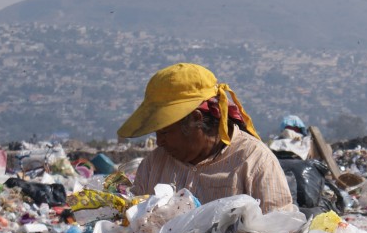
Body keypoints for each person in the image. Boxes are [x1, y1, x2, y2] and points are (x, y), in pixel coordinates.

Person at [118, 63, 293, 213]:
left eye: (164, 132)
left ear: (195, 119)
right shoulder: (154, 164)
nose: (159, 142)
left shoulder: (255, 161)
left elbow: (279, 231)